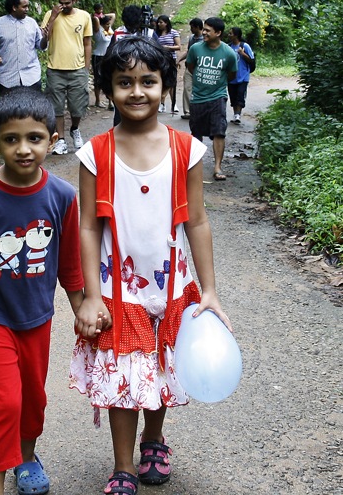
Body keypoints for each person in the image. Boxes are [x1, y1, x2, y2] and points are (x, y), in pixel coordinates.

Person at [69, 36, 231, 495]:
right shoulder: (94, 153)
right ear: (108, 89)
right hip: (116, 289)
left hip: (171, 285)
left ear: (165, 86)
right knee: (124, 376)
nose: (136, 91)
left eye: (147, 81)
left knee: (157, 370)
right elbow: (87, 227)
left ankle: (154, 441)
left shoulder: (187, 149)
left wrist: (210, 290)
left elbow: (197, 221)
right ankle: (122, 466)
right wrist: (90, 295)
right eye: (124, 83)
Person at [0, 89, 85, 495]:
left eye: (35, 138)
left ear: (53, 140)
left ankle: (26, 456)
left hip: (38, 315)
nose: (23, 149)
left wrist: (82, 308)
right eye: (11, 139)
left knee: (34, 400)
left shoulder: (61, 196)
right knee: (5, 400)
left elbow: (70, 263)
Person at [41, 0, 93, 155]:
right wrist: (54, 16)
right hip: (55, 68)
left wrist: (86, 67)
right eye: (61, 3)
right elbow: (44, 40)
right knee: (57, 107)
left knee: (77, 106)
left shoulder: (84, 16)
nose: (64, 6)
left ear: (75, 0)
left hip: (78, 69)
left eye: (67, 3)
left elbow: (87, 43)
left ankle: (75, 129)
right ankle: (61, 140)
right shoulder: (51, 14)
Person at [186, 17, 237, 181]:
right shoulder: (195, 49)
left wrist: (217, 84)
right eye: (204, 29)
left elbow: (231, 74)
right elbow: (191, 67)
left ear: (218, 33)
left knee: (219, 132)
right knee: (196, 132)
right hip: (198, 97)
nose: (204, 32)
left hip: (218, 96)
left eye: (208, 30)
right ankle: (195, 166)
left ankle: (217, 167)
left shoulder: (228, 53)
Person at [0, 0, 46, 95]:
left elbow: (41, 46)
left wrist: (46, 38)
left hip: (32, 77)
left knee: (32, 110)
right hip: (8, 79)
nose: (27, 9)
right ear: (14, 7)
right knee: (10, 111)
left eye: (28, 6)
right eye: (24, 7)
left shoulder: (32, 23)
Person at [152, 15, 181, 113]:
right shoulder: (156, 34)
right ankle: (162, 104)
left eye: (161, 22)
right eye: (158, 22)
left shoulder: (173, 32)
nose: (159, 24)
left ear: (166, 23)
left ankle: (174, 104)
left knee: (172, 82)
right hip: (160, 60)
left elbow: (178, 46)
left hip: (171, 59)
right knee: (162, 81)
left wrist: (167, 47)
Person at [227, 27, 255, 124]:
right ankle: (235, 115)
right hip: (231, 77)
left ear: (236, 35)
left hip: (243, 76)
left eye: (230, 33)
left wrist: (242, 53)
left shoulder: (245, 46)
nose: (229, 35)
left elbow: (251, 59)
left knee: (240, 95)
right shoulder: (228, 47)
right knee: (233, 96)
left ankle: (238, 115)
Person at [177, 18, 204, 119]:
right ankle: (188, 112)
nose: (191, 29)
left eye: (192, 27)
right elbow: (189, 51)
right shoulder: (192, 38)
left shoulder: (204, 39)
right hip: (189, 67)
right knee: (187, 88)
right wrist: (179, 59)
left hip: (200, 68)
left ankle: (199, 111)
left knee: (199, 90)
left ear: (197, 27)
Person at [92, 14, 114, 108]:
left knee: (109, 78)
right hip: (98, 56)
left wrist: (103, 15)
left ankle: (110, 102)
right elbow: (95, 19)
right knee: (98, 79)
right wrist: (98, 16)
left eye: (109, 24)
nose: (109, 26)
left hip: (107, 56)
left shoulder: (108, 30)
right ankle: (97, 101)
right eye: (107, 24)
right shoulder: (98, 30)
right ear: (102, 24)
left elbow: (113, 15)